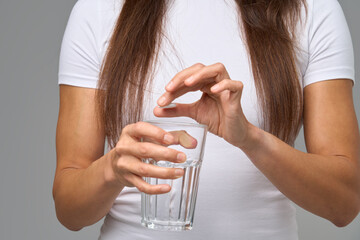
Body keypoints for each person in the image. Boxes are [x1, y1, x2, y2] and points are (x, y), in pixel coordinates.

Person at [53, 0, 360, 239]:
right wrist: (112, 169)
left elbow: (345, 202)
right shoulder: (100, 9)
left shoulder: (310, 9)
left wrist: (250, 139)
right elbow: (69, 209)